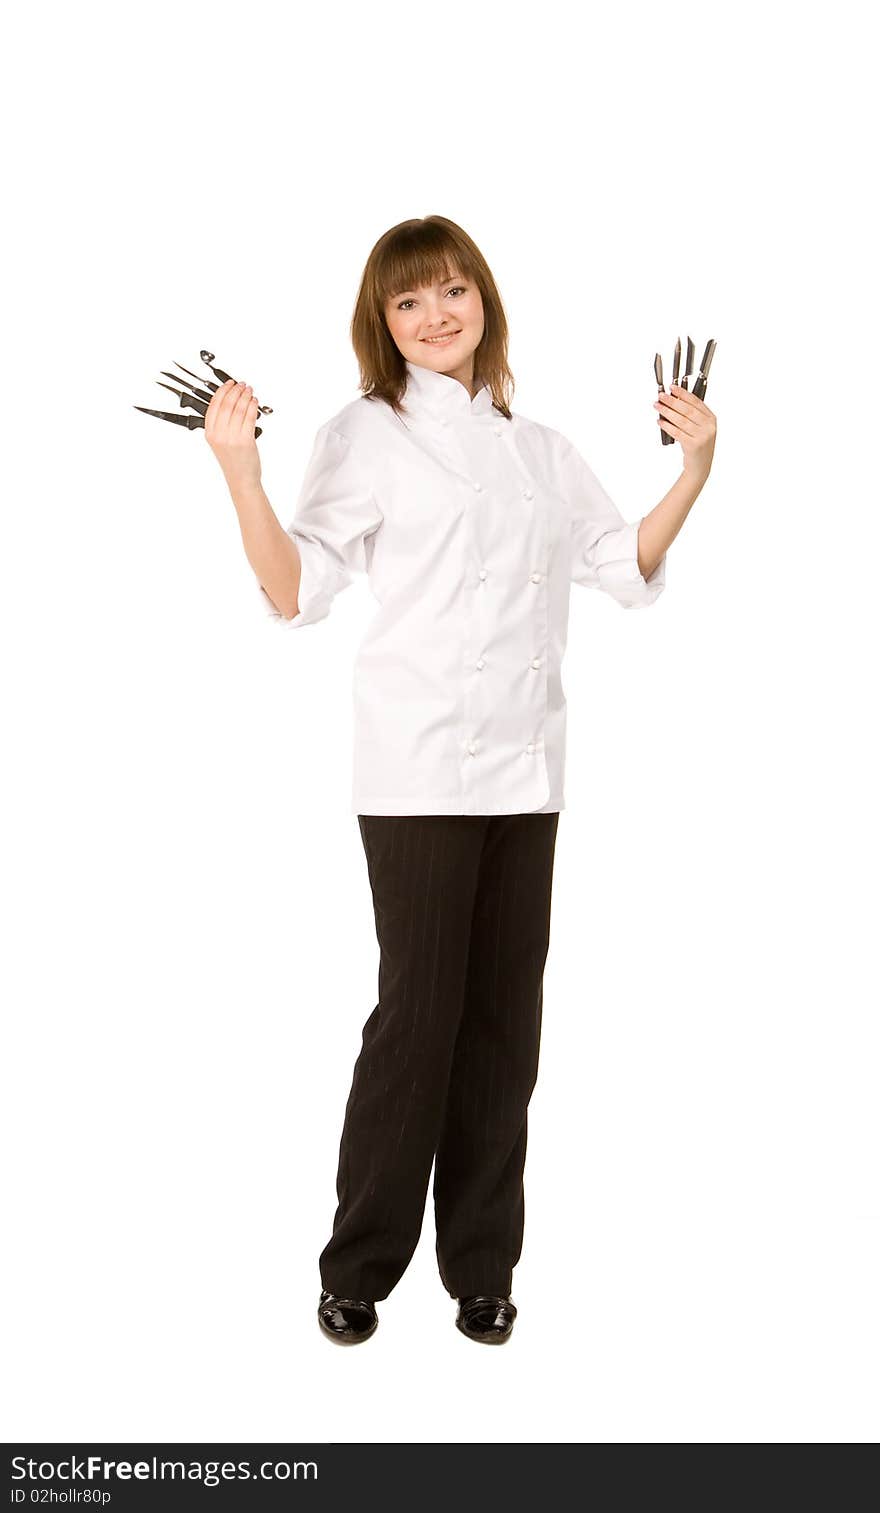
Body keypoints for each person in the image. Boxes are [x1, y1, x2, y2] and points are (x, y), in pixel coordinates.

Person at [204, 215, 717, 1346]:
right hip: (419, 763)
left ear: (482, 298)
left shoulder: (539, 448)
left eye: (450, 293)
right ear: (380, 324)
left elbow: (617, 570)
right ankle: (358, 1266)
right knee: (417, 1017)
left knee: (503, 1025)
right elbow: (298, 589)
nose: (435, 316)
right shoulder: (364, 433)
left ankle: (482, 1267)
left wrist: (693, 471)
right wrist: (240, 472)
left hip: (528, 764)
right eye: (408, 303)